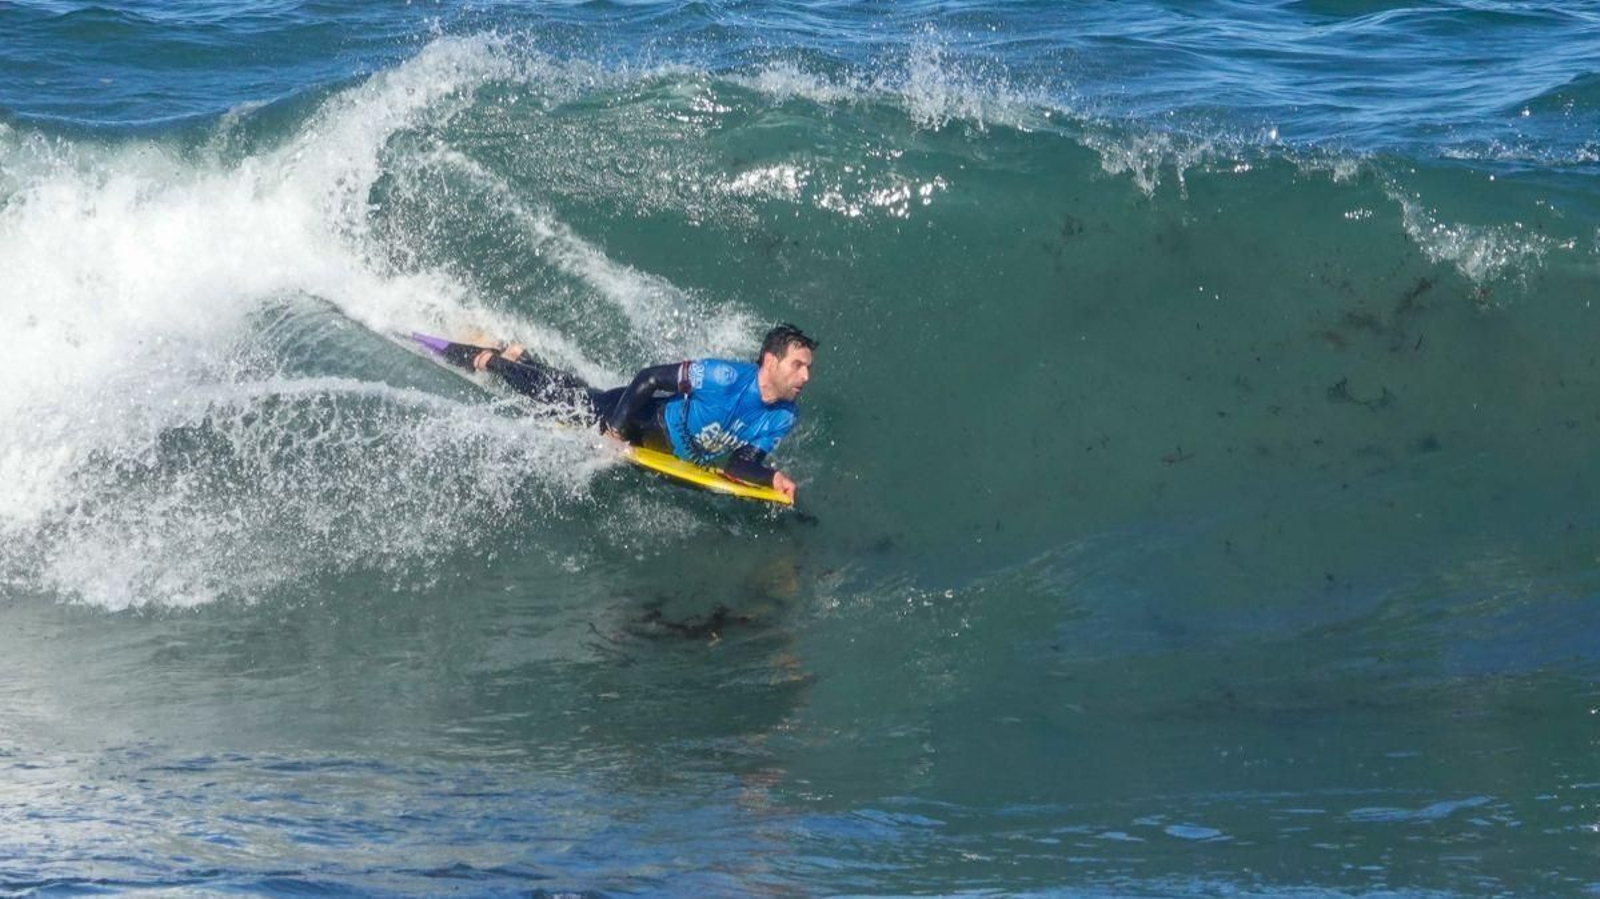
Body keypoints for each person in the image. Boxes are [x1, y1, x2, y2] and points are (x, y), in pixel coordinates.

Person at [435, 324, 815, 502]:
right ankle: (490, 361)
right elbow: (649, 379)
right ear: (770, 361)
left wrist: (771, 477)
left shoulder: (784, 415)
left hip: (662, 448)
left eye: (807, 367)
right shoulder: (723, 376)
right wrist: (614, 434)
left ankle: (522, 357)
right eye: (798, 365)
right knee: (557, 401)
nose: (806, 376)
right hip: (637, 419)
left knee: (576, 395)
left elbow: (739, 463)